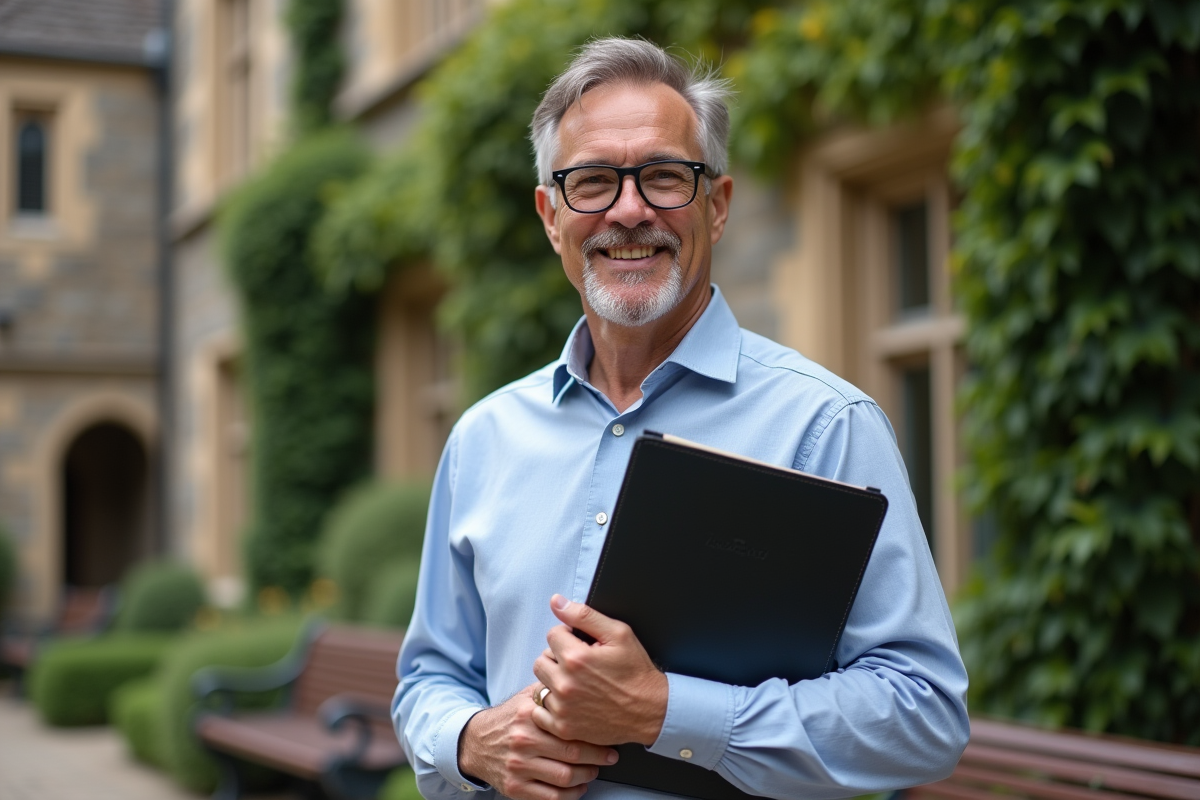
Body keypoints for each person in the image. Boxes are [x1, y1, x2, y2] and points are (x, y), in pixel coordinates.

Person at [394, 37, 969, 800]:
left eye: (664, 177)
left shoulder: (827, 426)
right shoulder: (483, 439)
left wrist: (667, 712)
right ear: (550, 216)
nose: (629, 211)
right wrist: (470, 742)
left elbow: (922, 714)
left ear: (718, 206)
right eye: (592, 182)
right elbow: (430, 675)